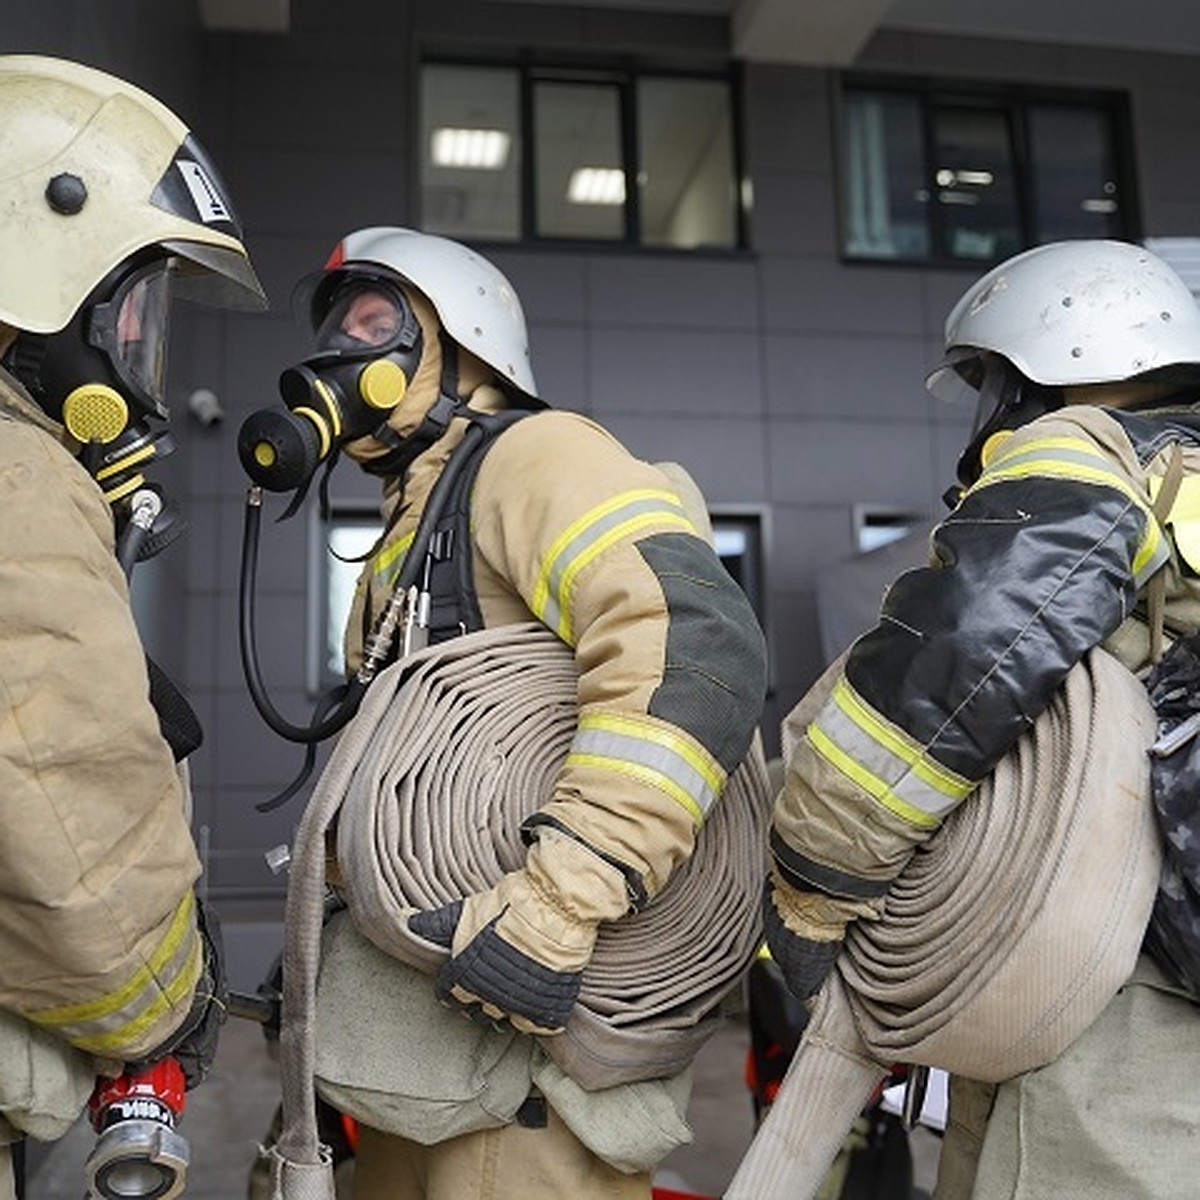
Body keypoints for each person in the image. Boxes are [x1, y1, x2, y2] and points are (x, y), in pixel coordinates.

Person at [240, 225, 769, 1199]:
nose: (339, 352)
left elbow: (691, 636)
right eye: (336, 325)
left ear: (468, 344)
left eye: (374, 321)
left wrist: (559, 904)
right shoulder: (423, 510)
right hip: (422, 1070)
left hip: (525, 1096)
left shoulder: (537, 454)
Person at [762, 238, 1200, 1198]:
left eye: (991, 387)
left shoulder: (1093, 447)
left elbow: (967, 648)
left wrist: (816, 878)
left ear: (1046, 368)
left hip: (1114, 970)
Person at [0, 54, 265, 1197]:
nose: (136, 368)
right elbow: (59, 784)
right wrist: (163, 1008)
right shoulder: (18, 473)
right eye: (129, 311)